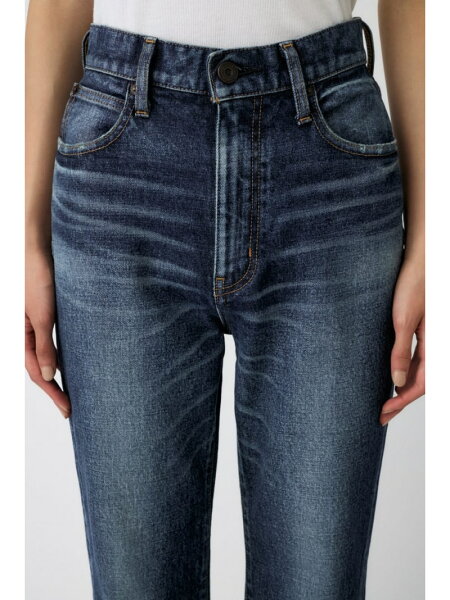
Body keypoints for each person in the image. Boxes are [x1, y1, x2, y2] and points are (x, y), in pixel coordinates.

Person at [25, 0, 425, 598]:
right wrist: (27, 237)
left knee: (316, 584)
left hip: (326, 169)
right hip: (123, 175)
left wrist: (431, 240)